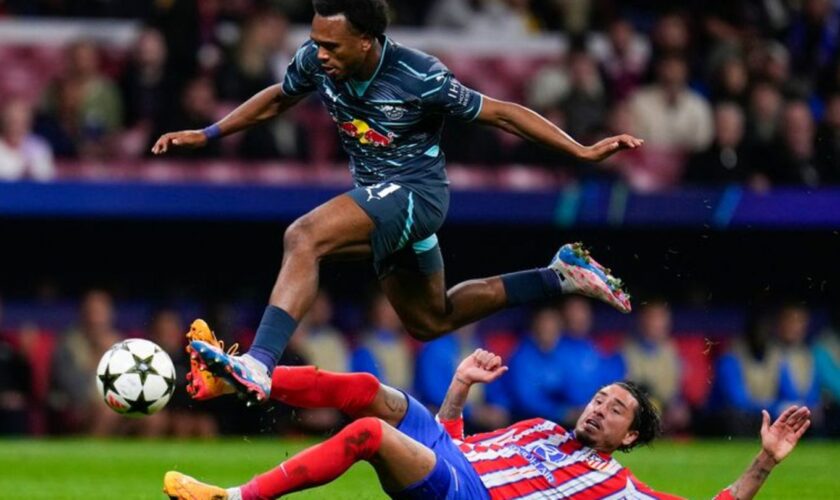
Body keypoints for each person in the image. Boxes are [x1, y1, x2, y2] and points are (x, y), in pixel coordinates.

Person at [154, 0, 640, 406]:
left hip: (418, 195)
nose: (318, 54)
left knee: (304, 236)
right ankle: (559, 275)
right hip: (382, 204)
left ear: (366, 40)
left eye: (331, 45)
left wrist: (580, 149)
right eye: (316, 41)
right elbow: (281, 97)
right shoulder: (314, 60)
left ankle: (259, 363)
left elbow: (501, 113)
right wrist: (209, 132)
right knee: (431, 320)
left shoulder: (419, 74)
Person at [164, 348, 811, 499]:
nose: (598, 406)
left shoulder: (619, 489)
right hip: (453, 459)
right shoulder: (539, 428)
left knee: (367, 435)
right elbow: (454, 441)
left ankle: (232, 498)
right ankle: (247, 375)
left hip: (469, 496)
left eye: (616, 408)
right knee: (368, 391)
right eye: (600, 396)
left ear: (632, 436)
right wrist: (458, 388)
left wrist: (765, 461)